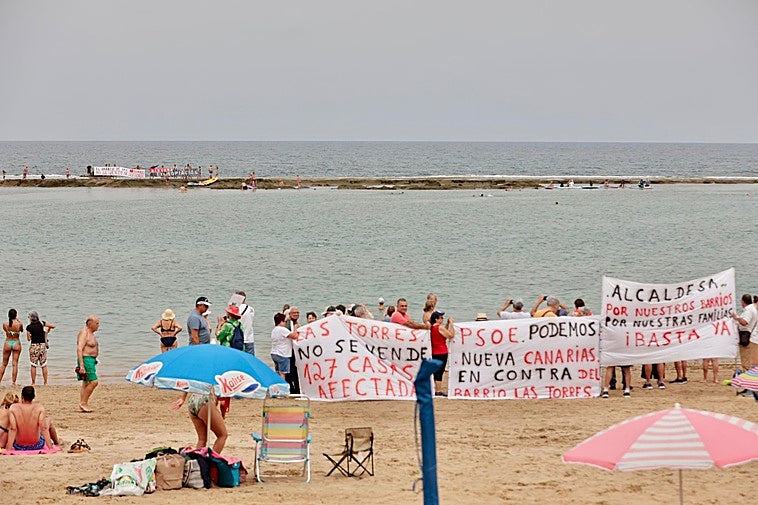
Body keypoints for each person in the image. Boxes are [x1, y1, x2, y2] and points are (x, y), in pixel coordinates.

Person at [5, 386, 60, 450]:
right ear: (34, 397)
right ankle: (56, 442)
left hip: (19, 445)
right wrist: (50, 448)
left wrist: (8, 448)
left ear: (22, 396)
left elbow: (13, 428)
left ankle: (57, 442)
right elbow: (43, 428)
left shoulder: (13, 408)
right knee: (48, 421)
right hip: (36, 445)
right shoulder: (39, 408)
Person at [76, 315, 100, 413]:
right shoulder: (84, 333)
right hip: (86, 360)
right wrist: (81, 365)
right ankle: (83, 403)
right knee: (94, 382)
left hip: (90, 360)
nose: (98, 325)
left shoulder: (91, 333)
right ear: (90, 324)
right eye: (97, 323)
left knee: (86, 383)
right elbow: (79, 349)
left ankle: (83, 403)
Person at [26, 311, 55, 386]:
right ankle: (45, 382)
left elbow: (28, 339)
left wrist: (32, 336)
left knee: (33, 365)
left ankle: (33, 383)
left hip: (34, 346)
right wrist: (47, 330)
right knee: (44, 364)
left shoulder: (29, 327)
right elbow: (53, 326)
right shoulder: (42, 323)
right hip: (42, 346)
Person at [430, 311, 455, 397]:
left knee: (436, 371)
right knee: (440, 371)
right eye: (441, 317)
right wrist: (451, 324)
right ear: (436, 319)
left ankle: (437, 389)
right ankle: (438, 390)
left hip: (434, 351)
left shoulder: (433, 327)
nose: (442, 319)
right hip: (442, 351)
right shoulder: (439, 327)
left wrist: (447, 325)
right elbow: (450, 335)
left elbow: (442, 334)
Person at [733, 294, 757, 374]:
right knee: (749, 357)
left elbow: (744, 322)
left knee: (745, 356)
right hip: (749, 334)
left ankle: (747, 373)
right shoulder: (753, 309)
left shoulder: (749, 310)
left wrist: (736, 317)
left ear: (743, 301)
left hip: (746, 335)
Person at [270, 313, 298, 380]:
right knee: (283, 373)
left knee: (278, 372)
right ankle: (283, 388)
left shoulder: (274, 330)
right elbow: (294, 336)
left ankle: (278, 386)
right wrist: (296, 327)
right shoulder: (282, 329)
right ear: (281, 321)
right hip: (282, 354)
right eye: (285, 321)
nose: (286, 323)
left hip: (275, 353)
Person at [1, 308, 24, 385]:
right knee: (15, 364)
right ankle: (13, 382)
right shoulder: (19, 324)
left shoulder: (5, 324)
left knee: (4, 364)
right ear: (16, 315)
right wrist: (19, 320)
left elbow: (5, 330)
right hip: (16, 343)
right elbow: (22, 330)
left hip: (8, 342)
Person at [285, 307, 302, 394]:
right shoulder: (288, 323)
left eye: (297, 312)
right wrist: (296, 328)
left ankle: (296, 389)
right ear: (290, 314)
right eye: (294, 313)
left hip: (295, 351)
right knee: (290, 371)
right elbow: (291, 335)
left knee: (295, 370)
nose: (296, 314)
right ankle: (293, 390)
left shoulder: (296, 323)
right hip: (289, 351)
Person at [234, 291, 255, 355]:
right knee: (250, 360)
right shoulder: (251, 309)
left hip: (238, 339)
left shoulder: (235, 310)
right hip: (250, 338)